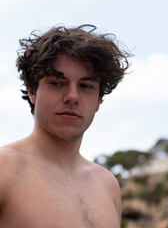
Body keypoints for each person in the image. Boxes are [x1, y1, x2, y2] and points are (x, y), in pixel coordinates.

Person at [0, 24, 131, 228]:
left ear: (98, 101)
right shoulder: (5, 169)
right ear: (32, 91)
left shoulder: (107, 185)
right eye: (57, 83)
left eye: (86, 86)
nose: (72, 97)